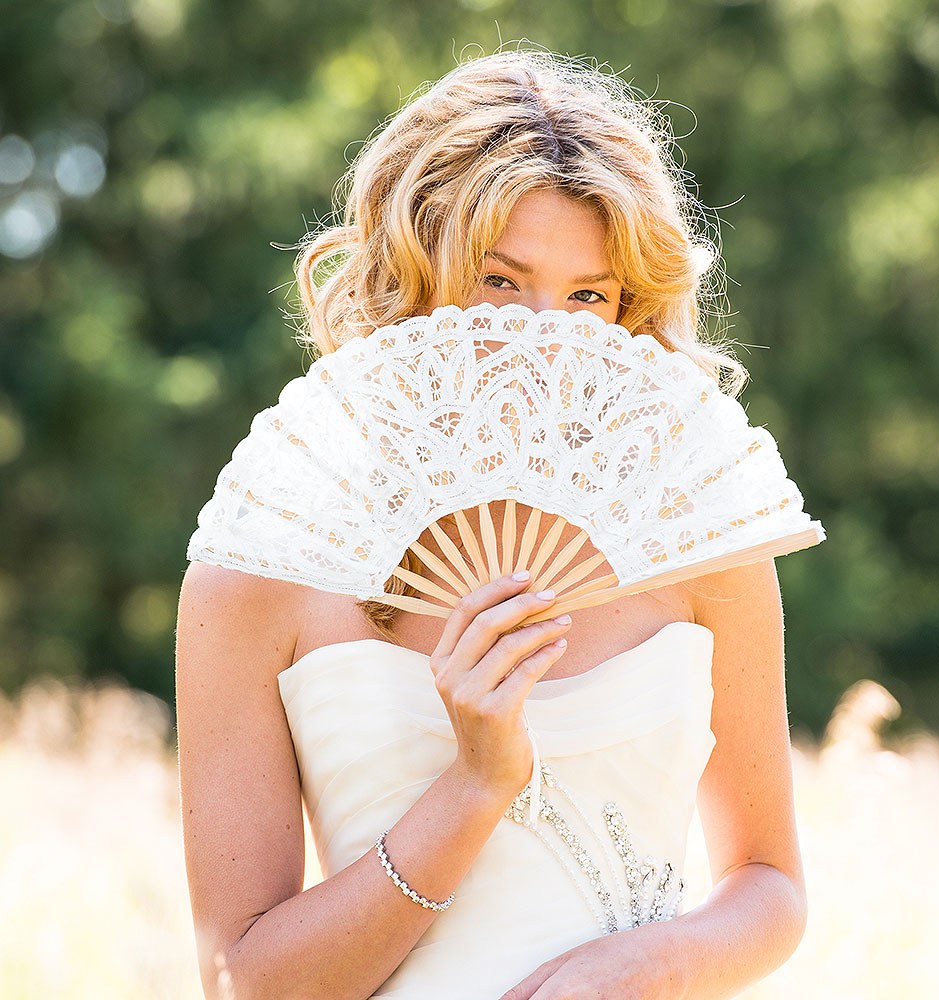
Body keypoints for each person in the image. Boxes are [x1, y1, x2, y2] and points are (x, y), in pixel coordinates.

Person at [176, 49, 808, 1000]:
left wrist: (625, 972)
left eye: (588, 295)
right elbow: (245, 981)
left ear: (630, 309)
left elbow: (770, 887)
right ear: (409, 280)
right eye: (499, 282)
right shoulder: (265, 573)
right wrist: (474, 786)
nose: (542, 337)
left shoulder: (696, 546)